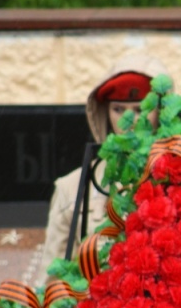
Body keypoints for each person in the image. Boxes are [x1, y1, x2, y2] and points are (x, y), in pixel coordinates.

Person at [40, 54, 170, 275]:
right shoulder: (71, 188)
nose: (129, 121)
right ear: (104, 112)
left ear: (163, 112)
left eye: (140, 110)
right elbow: (52, 282)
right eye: (118, 109)